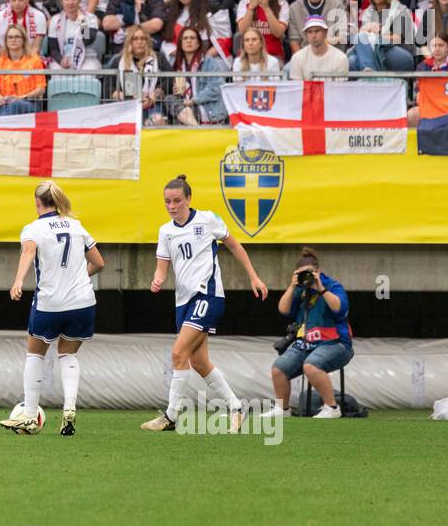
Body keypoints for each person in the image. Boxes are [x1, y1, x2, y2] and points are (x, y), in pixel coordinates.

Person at [144, 174, 268, 433]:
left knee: (178, 353)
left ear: (189, 199)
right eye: (167, 201)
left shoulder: (207, 220)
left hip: (208, 296)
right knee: (199, 362)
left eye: (177, 200)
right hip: (183, 302)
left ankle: (170, 416)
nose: (172, 206)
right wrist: (157, 280)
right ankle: (237, 408)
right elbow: (161, 269)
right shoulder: (165, 231)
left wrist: (254, 276)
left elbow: (234, 245)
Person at [0, 181, 104, 437]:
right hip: (83, 302)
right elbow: (99, 262)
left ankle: (29, 416)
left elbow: (28, 252)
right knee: (68, 355)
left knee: (35, 355)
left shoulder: (34, 228)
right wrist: (79, 278)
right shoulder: (76, 225)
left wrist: (18, 281)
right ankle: (69, 409)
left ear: (37, 203)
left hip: (51, 303)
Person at [261, 248, 353, 419]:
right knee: (278, 369)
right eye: (302, 274)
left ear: (318, 272)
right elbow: (283, 309)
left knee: (311, 366)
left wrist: (321, 288)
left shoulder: (332, 286)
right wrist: (292, 285)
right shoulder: (300, 289)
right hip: (307, 343)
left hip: (337, 343)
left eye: (310, 273)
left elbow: (340, 308)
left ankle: (332, 408)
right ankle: (283, 410)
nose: (307, 277)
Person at [102, 0, 167, 52]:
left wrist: (127, 30)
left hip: (149, 45)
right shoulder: (116, 1)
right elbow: (107, 24)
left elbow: (156, 25)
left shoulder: (156, 2)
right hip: (123, 46)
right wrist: (134, 12)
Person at [0, 25, 47, 114]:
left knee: (15, 104)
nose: (13, 40)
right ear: (6, 41)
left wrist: (23, 97)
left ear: (23, 40)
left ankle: (2, 125)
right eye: (10, 37)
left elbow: (41, 89)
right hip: (5, 103)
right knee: (10, 106)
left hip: (29, 103)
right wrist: (1, 98)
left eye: (17, 37)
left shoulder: (34, 60)